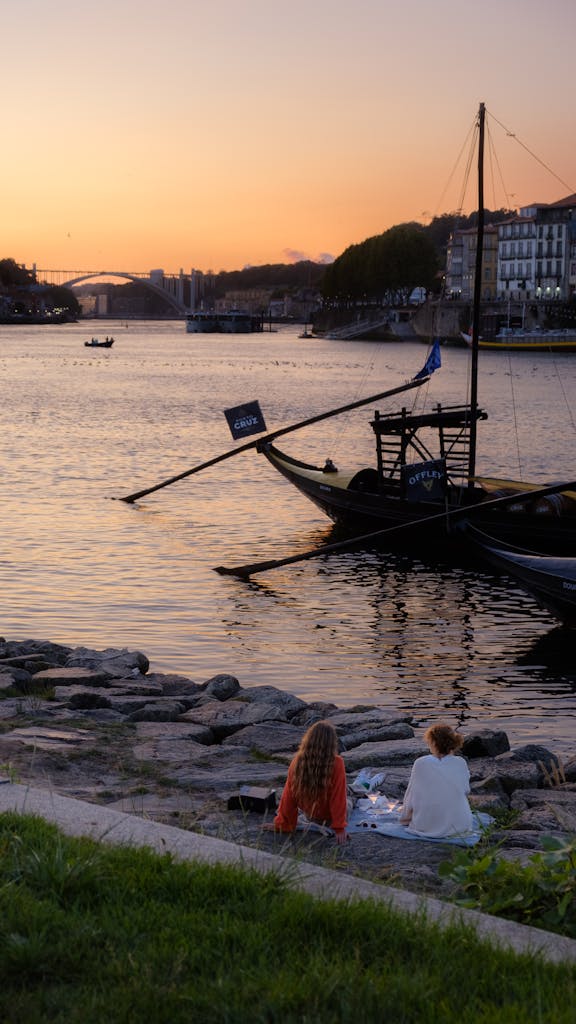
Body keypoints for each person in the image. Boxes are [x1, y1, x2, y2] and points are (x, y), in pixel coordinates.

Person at [262, 721, 349, 845]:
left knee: (345, 790)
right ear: (331, 743)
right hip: (329, 819)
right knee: (349, 798)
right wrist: (339, 828)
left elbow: (288, 796)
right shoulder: (337, 763)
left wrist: (283, 824)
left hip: (310, 815)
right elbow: (338, 798)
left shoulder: (297, 761)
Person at [399, 723, 473, 838]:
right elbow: (465, 790)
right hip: (461, 825)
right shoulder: (461, 762)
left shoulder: (421, 763)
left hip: (426, 826)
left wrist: (404, 819)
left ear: (433, 742)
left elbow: (411, 796)